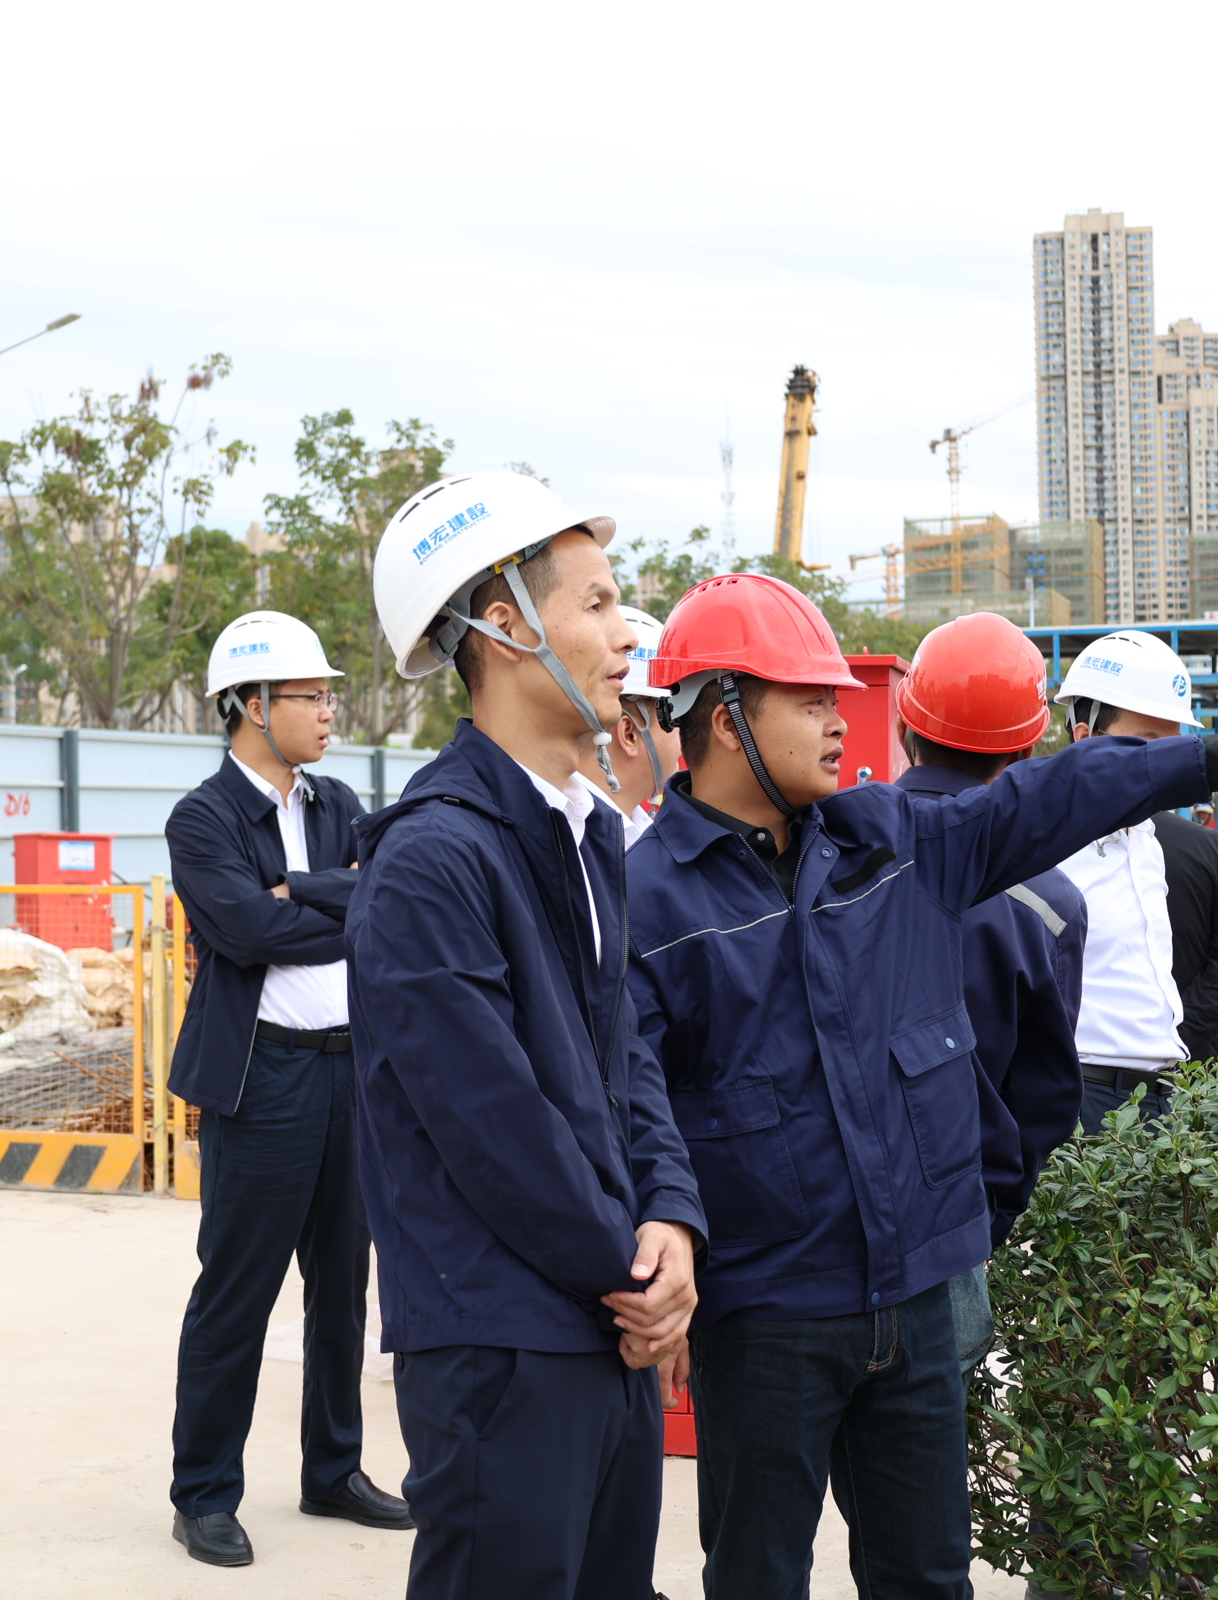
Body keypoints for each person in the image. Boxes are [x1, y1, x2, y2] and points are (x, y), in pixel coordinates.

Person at [622, 576, 1218, 1599]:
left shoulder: (891, 841)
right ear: (723, 715)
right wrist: (668, 1226)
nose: (839, 720)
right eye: (810, 700)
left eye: (840, 698)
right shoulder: (644, 900)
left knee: (929, 1576)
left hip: (919, 1298)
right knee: (758, 1577)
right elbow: (635, 1096)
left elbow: (1053, 791)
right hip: (768, 1314)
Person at [349, 470, 707, 1600]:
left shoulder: (586, 830)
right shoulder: (431, 859)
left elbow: (624, 1057)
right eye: (595, 603)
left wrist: (671, 1223)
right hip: (501, 1340)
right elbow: (493, 1122)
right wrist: (634, 1278)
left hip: (601, 1315)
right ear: (505, 627)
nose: (625, 633)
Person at [163, 611, 410, 1567]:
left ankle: (332, 1471)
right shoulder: (202, 818)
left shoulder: (339, 800)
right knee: (238, 1289)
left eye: (327, 694)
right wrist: (330, 898)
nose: (329, 710)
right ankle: (203, 1493)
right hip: (262, 1075)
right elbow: (244, 934)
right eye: (312, 695)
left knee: (342, 1289)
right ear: (254, 705)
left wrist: (296, 891)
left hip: (351, 1067)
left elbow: (384, 903)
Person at [891, 615, 1088, 1257]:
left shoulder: (825, 854)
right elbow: (1044, 1099)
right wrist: (990, 1219)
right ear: (1027, 753)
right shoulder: (1049, 904)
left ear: (903, 727)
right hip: (959, 1221)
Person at [1054, 630, 1218, 1131]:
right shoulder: (1048, 846)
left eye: (1173, 748)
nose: (1165, 768)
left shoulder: (1144, 838)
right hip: (1087, 1099)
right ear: (1086, 738)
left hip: (1167, 1094)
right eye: (1148, 745)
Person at [607, 603, 681, 848]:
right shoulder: (579, 839)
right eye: (673, 718)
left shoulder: (634, 834)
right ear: (629, 734)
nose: (681, 737)